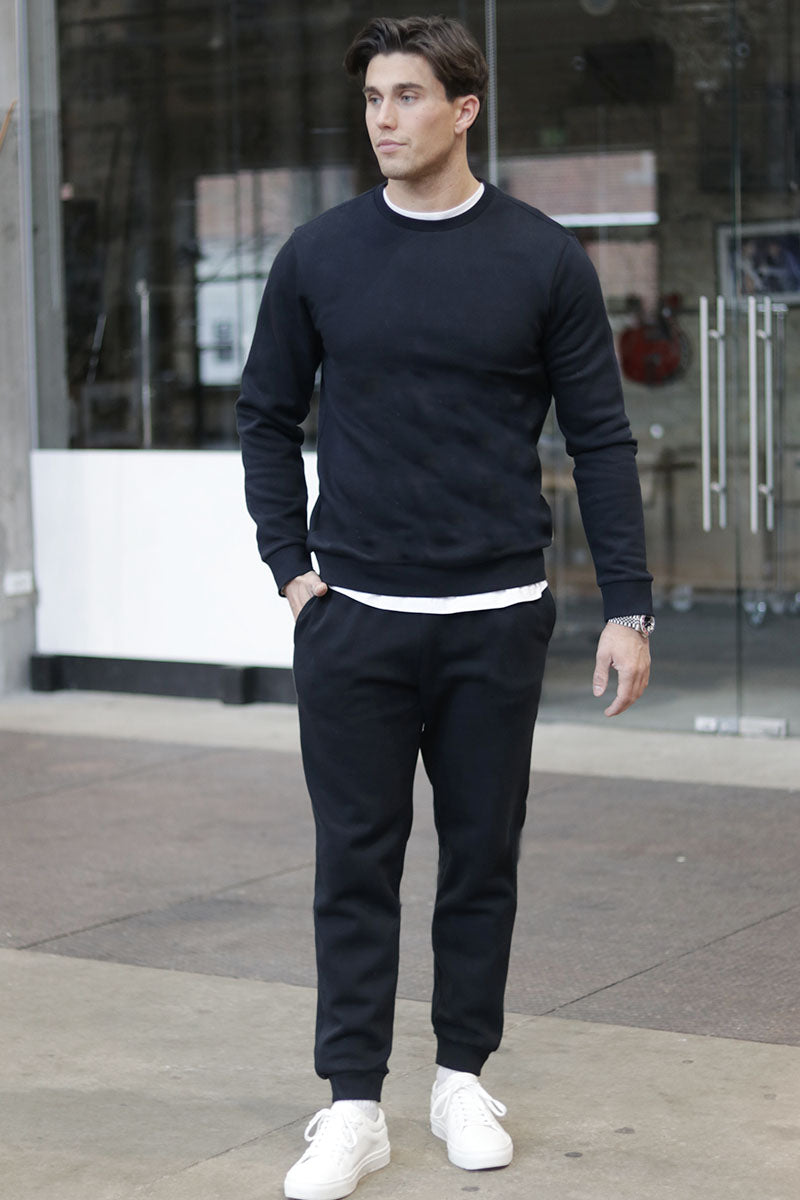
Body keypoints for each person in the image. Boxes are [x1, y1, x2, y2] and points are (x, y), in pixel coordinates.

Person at [236, 15, 652, 1200]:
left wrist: (627, 606)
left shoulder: (541, 258)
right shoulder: (318, 255)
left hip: (495, 612)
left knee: (480, 858)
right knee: (353, 864)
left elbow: (600, 437)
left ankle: (461, 1076)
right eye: (373, 96)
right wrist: (290, 567)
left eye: (407, 95)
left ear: (464, 109)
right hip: (354, 613)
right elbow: (264, 413)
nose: (383, 117)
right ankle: (352, 1106)